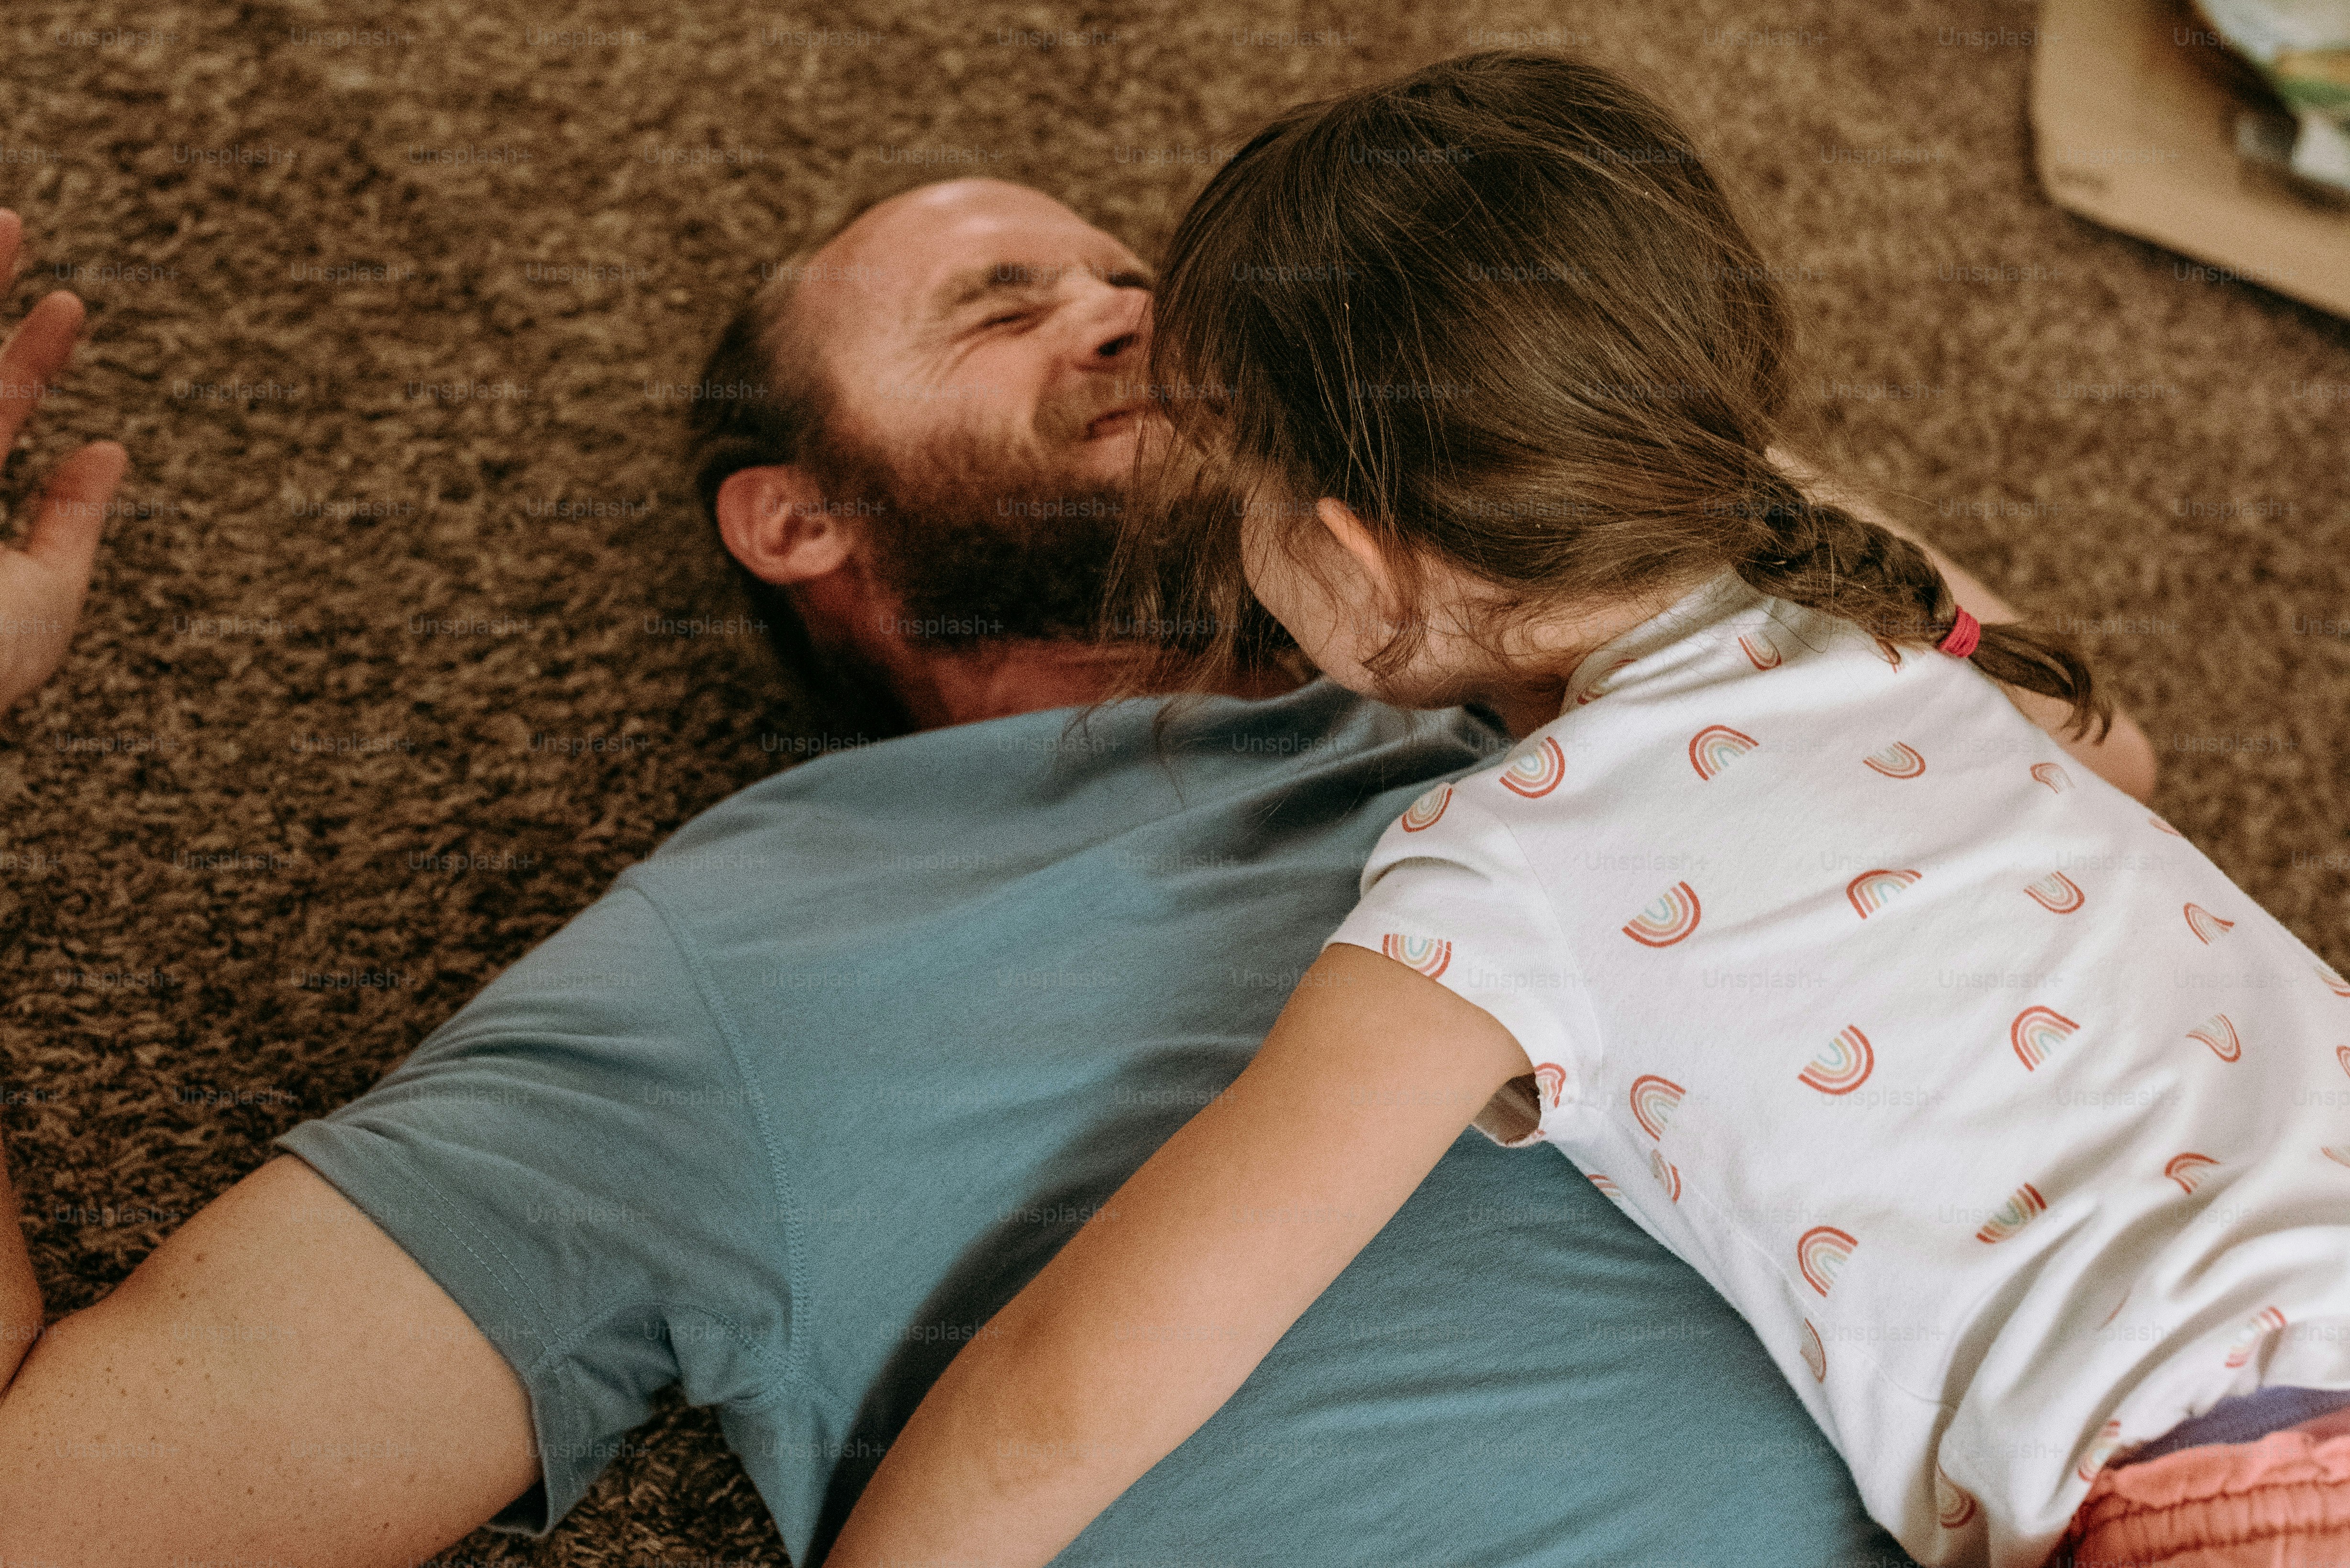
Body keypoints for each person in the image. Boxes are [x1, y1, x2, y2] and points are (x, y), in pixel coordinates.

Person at [0, 162, 2156, 1566]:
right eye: (1002, 306)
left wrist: (1528, 414)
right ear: (797, 521)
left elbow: (2071, 755)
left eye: (1147, 282)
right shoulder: (755, 940)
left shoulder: (1586, 674)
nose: (1127, 316)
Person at [817, 54, 2350, 1568]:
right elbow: (2120, 755)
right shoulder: (1864, 613)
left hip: (2240, 1473)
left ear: (1352, 550)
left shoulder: (1504, 876)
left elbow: (1079, 1387)